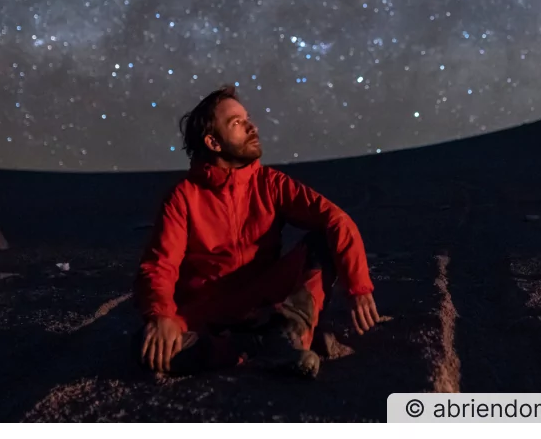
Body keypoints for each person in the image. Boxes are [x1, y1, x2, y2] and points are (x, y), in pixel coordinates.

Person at [133, 85, 383, 379]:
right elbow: (160, 264)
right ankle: (258, 347)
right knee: (148, 348)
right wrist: (161, 316)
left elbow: (336, 220)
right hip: (209, 311)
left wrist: (358, 287)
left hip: (265, 299)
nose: (252, 126)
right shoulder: (184, 197)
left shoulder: (271, 184)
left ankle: (285, 333)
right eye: (237, 123)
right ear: (213, 142)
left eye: (247, 118)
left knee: (322, 241)